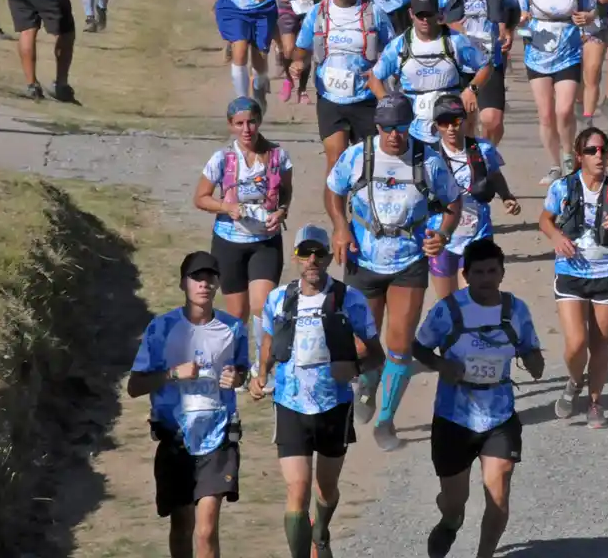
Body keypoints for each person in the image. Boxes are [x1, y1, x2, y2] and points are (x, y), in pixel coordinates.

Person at [325, 92, 463, 450]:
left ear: (410, 126)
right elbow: (333, 190)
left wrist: (442, 235)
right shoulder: (357, 156)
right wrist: (340, 226)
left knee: (400, 345)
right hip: (363, 260)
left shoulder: (427, 160)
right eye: (387, 128)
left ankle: (386, 422)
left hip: (408, 262)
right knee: (361, 345)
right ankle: (369, 380)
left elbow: (453, 202)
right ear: (377, 126)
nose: (394, 136)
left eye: (400, 128)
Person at [252, 226, 385, 558]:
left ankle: (321, 533)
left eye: (319, 254)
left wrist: (352, 364)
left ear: (328, 257)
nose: (312, 260)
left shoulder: (349, 299)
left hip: (334, 405)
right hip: (289, 403)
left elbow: (376, 354)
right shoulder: (278, 298)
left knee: (326, 489)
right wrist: (261, 374)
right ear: (295, 256)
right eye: (304, 253)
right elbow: (269, 338)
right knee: (296, 489)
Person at [412, 238, 544, 558]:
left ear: (502, 273)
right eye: (479, 272)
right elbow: (418, 347)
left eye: (492, 271)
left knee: (498, 496)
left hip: (499, 416)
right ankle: (450, 520)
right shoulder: (449, 309)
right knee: (455, 502)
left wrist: (532, 360)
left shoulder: (516, 310)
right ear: (466, 275)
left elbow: (533, 355)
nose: (486, 279)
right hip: (454, 418)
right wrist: (442, 365)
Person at [127, 252, 250, 558]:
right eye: (197, 277)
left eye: (210, 277)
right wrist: (172, 374)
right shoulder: (161, 328)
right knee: (182, 526)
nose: (204, 284)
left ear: (218, 283)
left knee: (206, 529)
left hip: (219, 438)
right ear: (184, 283)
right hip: (176, 440)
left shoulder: (233, 329)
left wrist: (237, 378)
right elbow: (134, 386)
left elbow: (243, 371)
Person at [538, 126, 608, 427]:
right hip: (570, 274)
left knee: (600, 345)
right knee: (576, 343)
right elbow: (545, 220)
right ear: (579, 156)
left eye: (602, 151)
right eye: (592, 151)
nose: (599, 156)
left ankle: (595, 401)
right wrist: (556, 237)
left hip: (606, 274)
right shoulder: (563, 188)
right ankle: (573, 381)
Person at [193, 97, 294, 382]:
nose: (246, 129)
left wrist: (283, 210)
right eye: (239, 124)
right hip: (228, 242)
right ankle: (237, 367)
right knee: (238, 314)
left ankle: (262, 369)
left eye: (251, 121)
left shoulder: (278, 156)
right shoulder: (221, 159)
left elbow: (286, 191)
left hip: (265, 241)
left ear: (259, 121)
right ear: (231, 126)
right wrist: (227, 207)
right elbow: (200, 198)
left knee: (262, 306)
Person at [294, 0, 397, 173]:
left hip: (365, 99)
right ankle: (336, 206)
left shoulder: (374, 13)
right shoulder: (318, 12)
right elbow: (302, 50)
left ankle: (362, 204)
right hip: (330, 98)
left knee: (369, 164)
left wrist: (380, 75)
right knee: (336, 162)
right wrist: (297, 66)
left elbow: (393, 51)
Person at [517, 0, 598, 184]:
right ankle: (554, 164)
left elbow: (594, 9)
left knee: (564, 111)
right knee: (546, 115)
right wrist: (520, 20)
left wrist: (587, 17)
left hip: (568, 54)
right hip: (537, 56)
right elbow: (515, 13)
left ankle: (567, 156)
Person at [370, 0, 492, 148]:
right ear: (411, 14)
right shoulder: (398, 46)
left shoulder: (456, 41)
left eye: (429, 14)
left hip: (451, 125)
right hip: (413, 127)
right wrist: (390, 105)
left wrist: (472, 89)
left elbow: (486, 66)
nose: (425, 20)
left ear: (439, 14)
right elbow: (374, 78)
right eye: (420, 15)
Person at [431, 94, 521, 301]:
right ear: (437, 126)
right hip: (441, 237)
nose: (451, 128)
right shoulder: (430, 156)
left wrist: (507, 197)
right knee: (447, 303)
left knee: (474, 298)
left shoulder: (483, 149)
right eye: (444, 123)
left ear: (465, 121)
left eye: (456, 121)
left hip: (478, 233)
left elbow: (495, 175)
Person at [429, 0, 514, 146]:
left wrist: (509, 30)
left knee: (492, 121)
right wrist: (450, 24)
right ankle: (468, 162)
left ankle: (485, 155)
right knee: (462, 123)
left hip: (489, 58)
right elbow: (429, 15)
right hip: (456, 60)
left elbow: (513, 8)